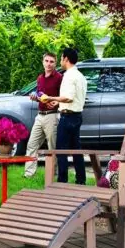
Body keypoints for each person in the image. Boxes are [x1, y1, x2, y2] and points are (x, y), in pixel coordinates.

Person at [41, 48, 88, 184]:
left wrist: (49, 97)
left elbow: (68, 98)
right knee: (76, 150)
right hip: (77, 116)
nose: (60, 61)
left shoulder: (69, 75)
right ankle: (81, 180)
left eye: (61, 58)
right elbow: (73, 98)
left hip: (67, 117)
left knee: (61, 150)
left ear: (66, 59)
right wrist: (58, 102)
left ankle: (62, 181)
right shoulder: (80, 76)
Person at [24, 52, 63, 178]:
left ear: (55, 63)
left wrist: (56, 102)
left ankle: (53, 174)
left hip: (52, 116)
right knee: (31, 144)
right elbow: (41, 96)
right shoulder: (40, 78)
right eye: (46, 61)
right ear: (43, 62)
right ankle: (29, 174)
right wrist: (35, 98)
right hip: (39, 116)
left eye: (51, 61)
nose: (49, 64)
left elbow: (63, 97)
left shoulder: (59, 78)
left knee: (52, 147)